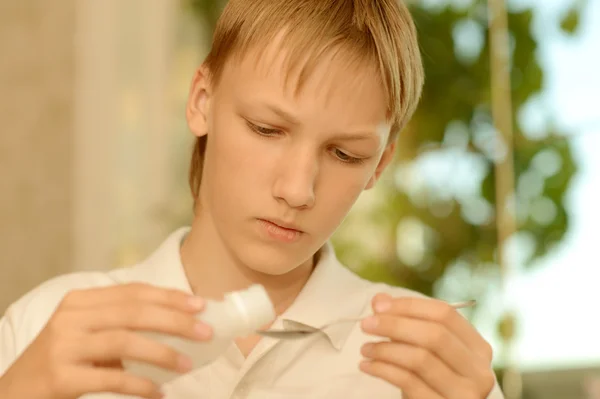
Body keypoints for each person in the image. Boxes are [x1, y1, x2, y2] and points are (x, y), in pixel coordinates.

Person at [0, 0, 505, 398]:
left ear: (380, 164)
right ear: (202, 102)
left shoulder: (428, 367)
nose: (297, 190)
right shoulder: (47, 325)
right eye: (267, 129)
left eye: (345, 154)